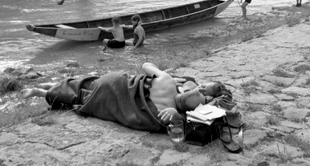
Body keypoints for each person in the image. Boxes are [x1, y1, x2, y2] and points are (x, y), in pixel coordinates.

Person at [21, 63, 205, 132]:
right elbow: (177, 126)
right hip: (110, 98)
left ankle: (49, 87)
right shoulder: (167, 113)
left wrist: (164, 74)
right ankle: (44, 92)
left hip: (116, 81)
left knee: (84, 84)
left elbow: (146, 65)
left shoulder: (168, 81)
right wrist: (177, 118)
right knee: (80, 98)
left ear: (183, 91)